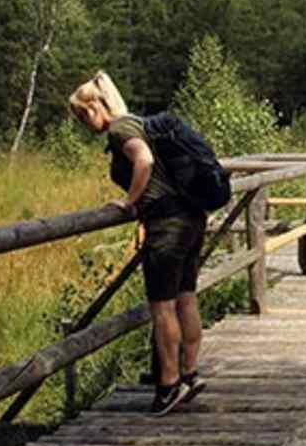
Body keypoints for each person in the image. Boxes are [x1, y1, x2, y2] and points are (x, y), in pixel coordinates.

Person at [68, 71, 206, 416]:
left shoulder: (121, 130)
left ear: (95, 107)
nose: (84, 123)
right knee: (186, 298)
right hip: (191, 217)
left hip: (167, 225)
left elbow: (143, 160)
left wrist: (130, 202)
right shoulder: (139, 122)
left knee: (163, 308)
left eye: (83, 115)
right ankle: (189, 373)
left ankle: (168, 386)